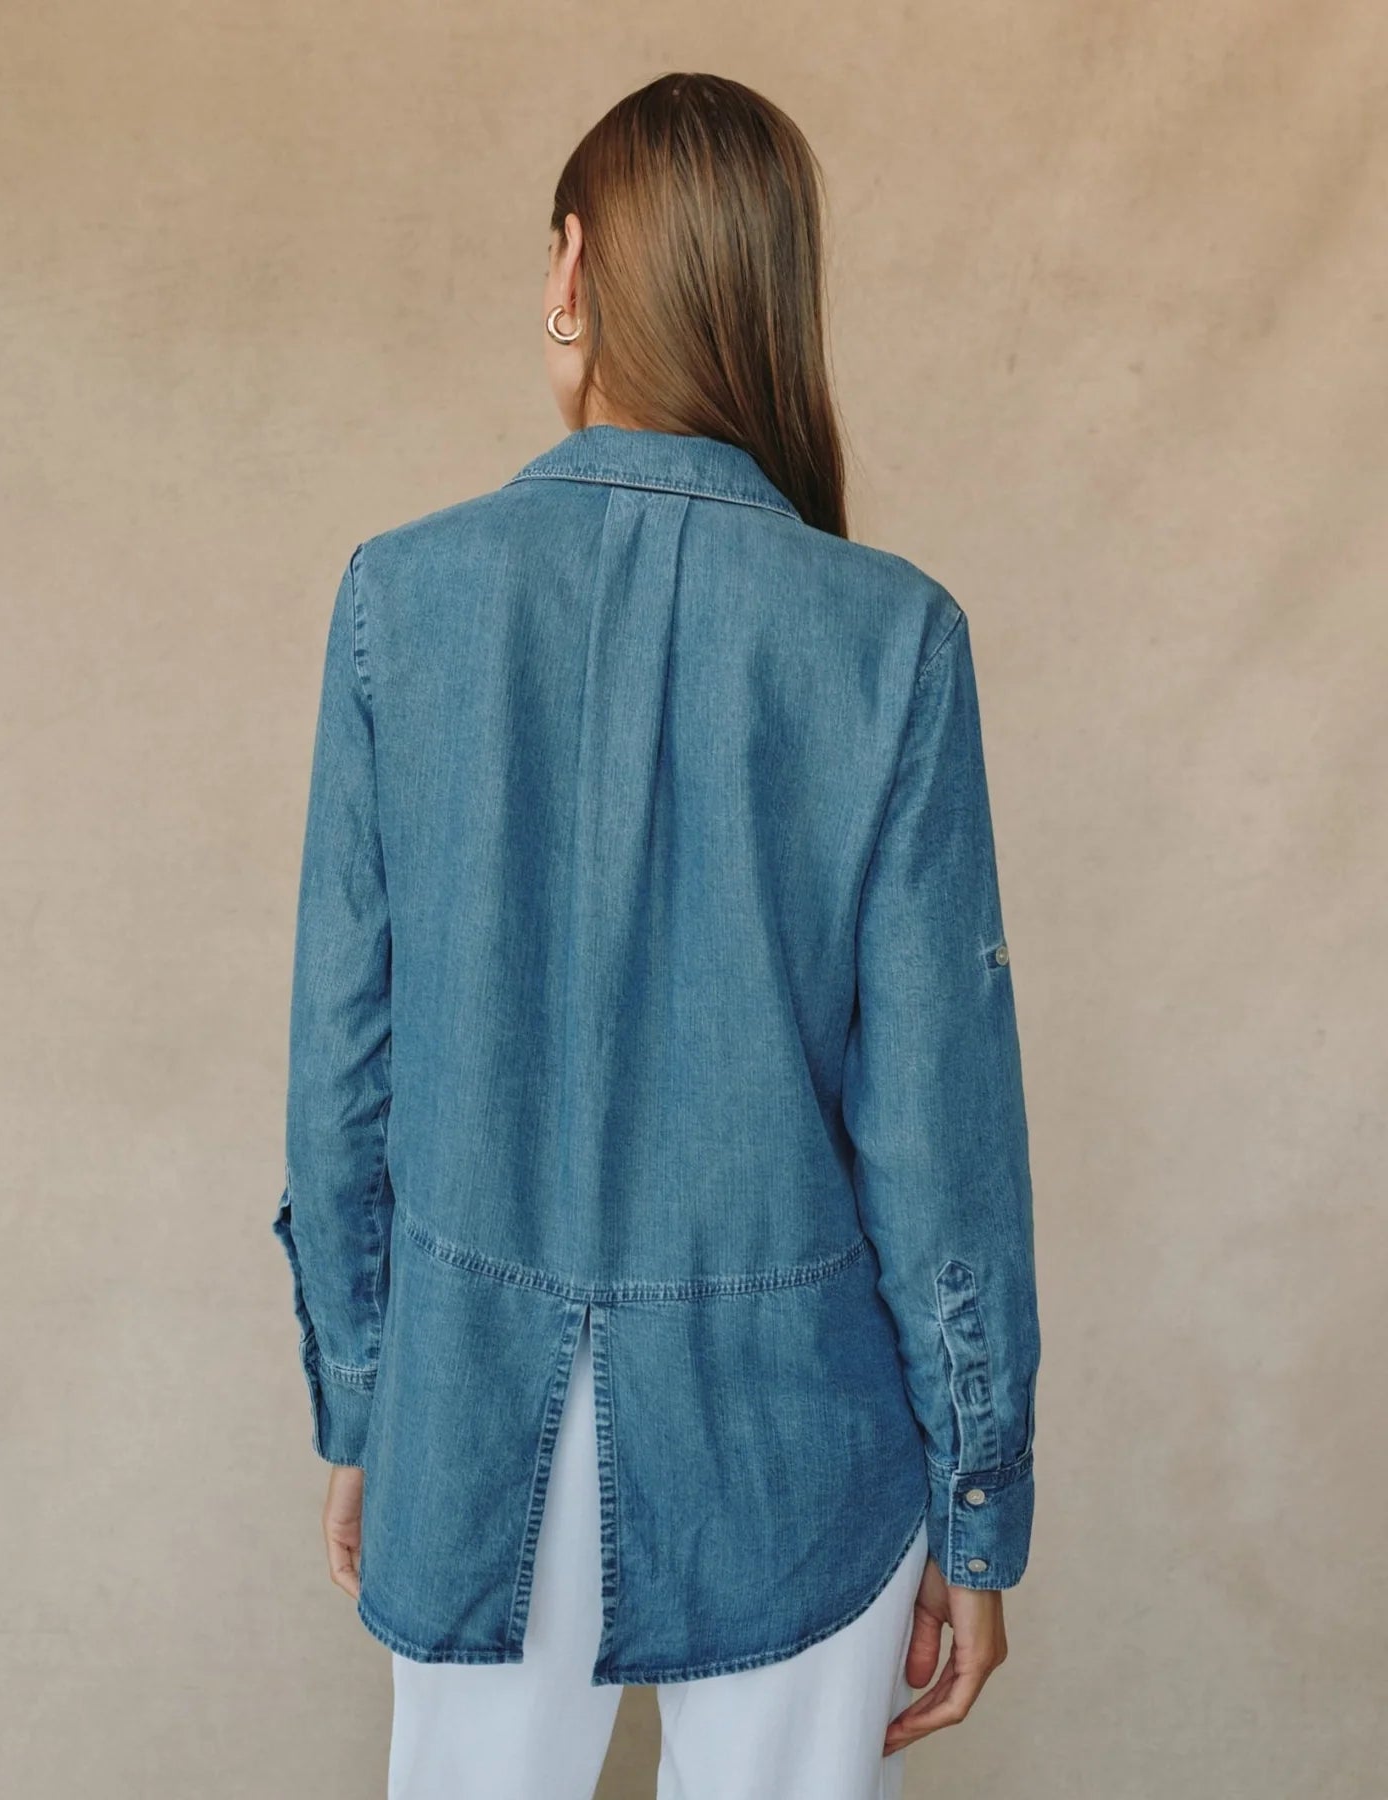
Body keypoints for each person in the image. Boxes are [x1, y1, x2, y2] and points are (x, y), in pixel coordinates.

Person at [272, 70, 1042, 1800]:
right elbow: (940, 1133)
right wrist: (974, 1503)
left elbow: (345, 1065)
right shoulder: (894, 639)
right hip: (802, 1441)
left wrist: (369, 1393)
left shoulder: (401, 598)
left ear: (571, 271)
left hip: (471, 1411)